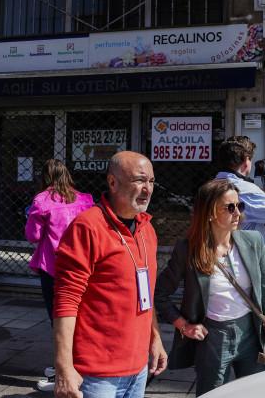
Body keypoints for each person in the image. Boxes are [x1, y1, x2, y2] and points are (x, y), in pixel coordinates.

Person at [52, 151, 167, 398]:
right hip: (96, 375)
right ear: (113, 183)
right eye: (139, 180)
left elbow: (146, 293)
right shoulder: (88, 226)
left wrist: (155, 339)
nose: (147, 188)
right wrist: (63, 367)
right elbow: (66, 301)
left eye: (151, 181)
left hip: (138, 368)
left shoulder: (147, 229)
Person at [155, 179, 265, 396]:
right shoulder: (187, 250)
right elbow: (160, 294)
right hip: (214, 338)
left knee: (257, 392)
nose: (238, 213)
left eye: (240, 206)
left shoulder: (252, 241)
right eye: (230, 207)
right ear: (209, 213)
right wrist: (183, 325)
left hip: (251, 334)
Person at [25, 159, 94, 391]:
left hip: (53, 267)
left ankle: (65, 370)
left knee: (58, 319)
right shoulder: (85, 200)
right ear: (67, 174)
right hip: (82, 267)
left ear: (44, 177)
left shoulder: (41, 200)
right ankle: (70, 365)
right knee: (80, 317)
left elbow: (33, 236)